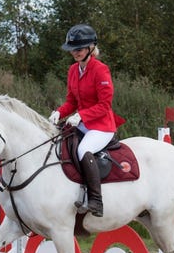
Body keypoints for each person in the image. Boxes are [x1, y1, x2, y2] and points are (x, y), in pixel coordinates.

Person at [49, 24, 125, 217]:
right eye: (72, 49)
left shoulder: (101, 70)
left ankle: (96, 200)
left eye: (79, 49)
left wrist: (82, 115)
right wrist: (59, 112)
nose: (75, 52)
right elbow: (71, 102)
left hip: (101, 126)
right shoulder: (73, 70)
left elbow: (104, 105)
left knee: (83, 150)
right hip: (82, 124)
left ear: (91, 48)